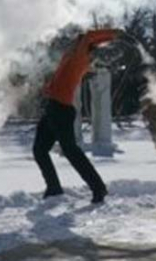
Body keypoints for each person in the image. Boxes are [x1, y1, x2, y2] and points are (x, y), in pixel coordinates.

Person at [33, 28, 119, 203]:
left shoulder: (80, 57)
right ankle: (54, 188)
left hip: (60, 110)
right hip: (53, 107)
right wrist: (48, 89)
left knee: (71, 151)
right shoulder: (70, 57)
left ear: (84, 46)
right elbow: (59, 78)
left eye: (77, 41)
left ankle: (98, 188)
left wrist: (114, 33)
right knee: (40, 149)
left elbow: (88, 37)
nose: (74, 41)